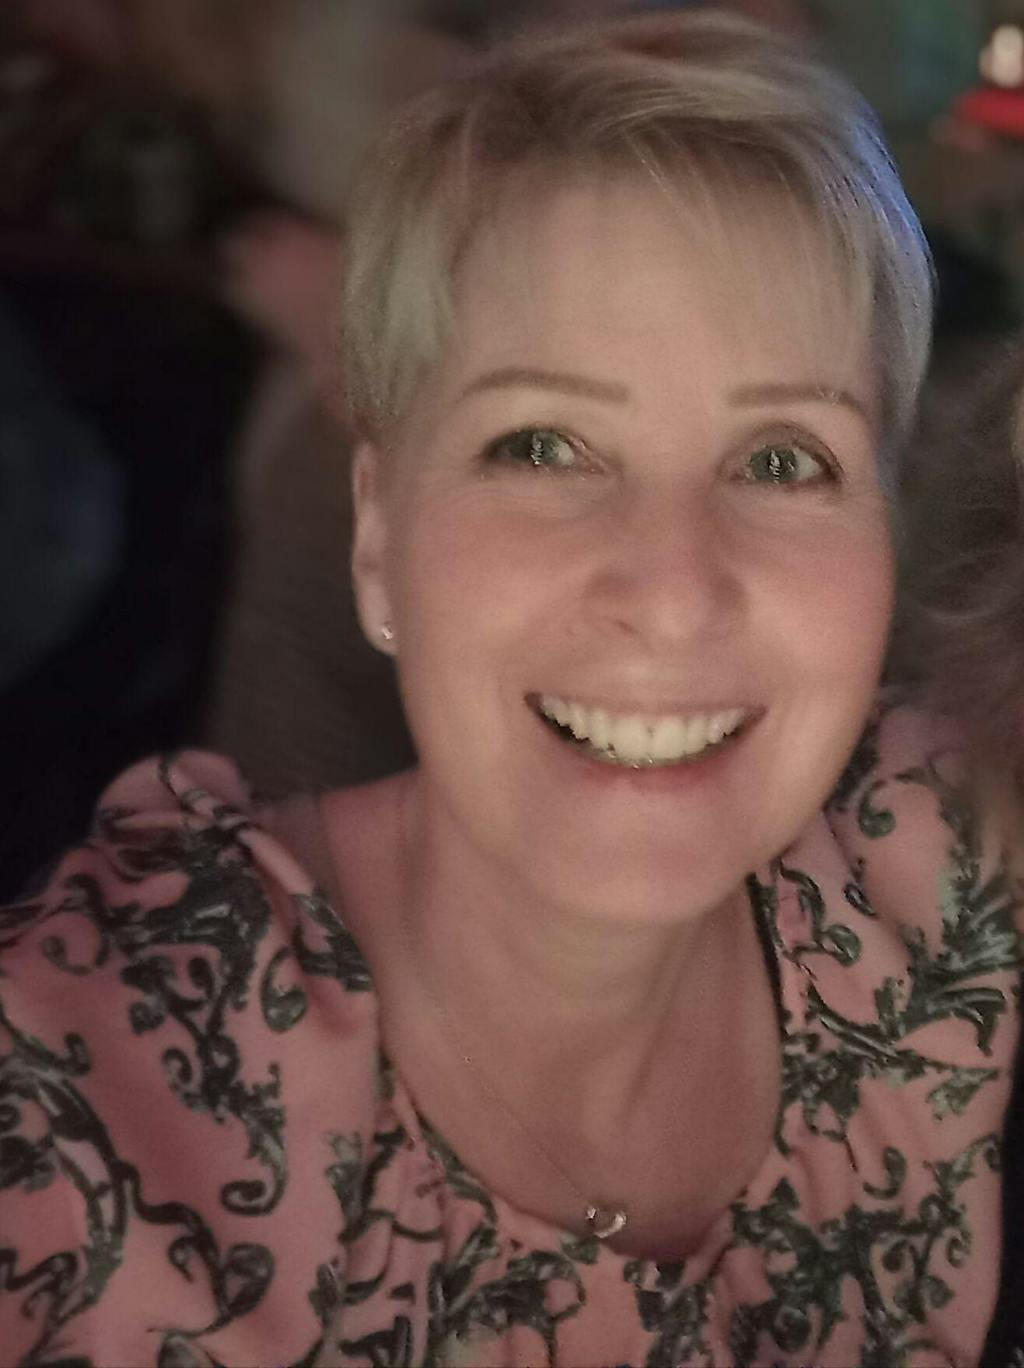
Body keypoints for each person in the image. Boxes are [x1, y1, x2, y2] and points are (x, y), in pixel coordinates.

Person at [2, 10, 1022, 1366]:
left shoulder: (944, 859)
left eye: (784, 459)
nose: (674, 590)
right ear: (379, 536)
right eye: (543, 444)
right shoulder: (85, 1120)